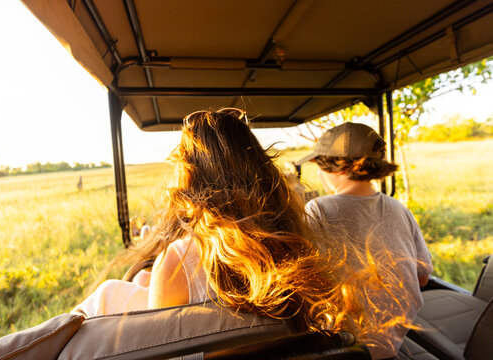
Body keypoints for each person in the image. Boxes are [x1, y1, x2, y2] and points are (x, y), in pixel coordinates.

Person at [72, 109, 408, 350]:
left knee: (108, 294)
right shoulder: (299, 241)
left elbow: (164, 348)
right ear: (262, 172)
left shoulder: (178, 260)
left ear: (189, 180)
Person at [297, 122, 433, 359]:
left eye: (320, 165)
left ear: (337, 166)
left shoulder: (318, 208)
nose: (318, 173)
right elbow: (422, 278)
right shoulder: (399, 208)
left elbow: (307, 282)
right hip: (393, 342)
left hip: (344, 347)